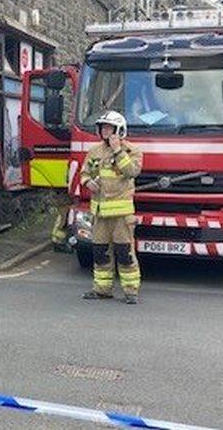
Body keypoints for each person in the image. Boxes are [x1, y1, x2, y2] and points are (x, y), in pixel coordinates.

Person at [80, 111, 144, 304]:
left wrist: (118, 151)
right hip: (99, 214)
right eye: (103, 127)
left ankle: (131, 291)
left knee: (124, 253)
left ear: (120, 130)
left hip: (121, 216)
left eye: (109, 127)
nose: (105, 131)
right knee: (100, 253)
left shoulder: (132, 151)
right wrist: (87, 182)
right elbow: (85, 173)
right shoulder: (94, 151)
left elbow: (132, 171)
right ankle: (102, 289)